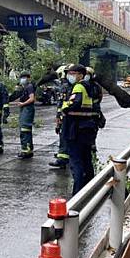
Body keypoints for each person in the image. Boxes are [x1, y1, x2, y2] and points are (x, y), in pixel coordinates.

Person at [61, 64, 98, 195]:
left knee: (76, 161)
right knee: (86, 160)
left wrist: (64, 106)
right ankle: (90, 189)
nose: (70, 76)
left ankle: (78, 193)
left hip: (75, 129)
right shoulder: (90, 87)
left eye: (73, 73)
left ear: (81, 75)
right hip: (86, 128)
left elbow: (73, 104)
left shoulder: (78, 87)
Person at [49, 65, 72, 169]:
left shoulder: (66, 87)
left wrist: (59, 117)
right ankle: (64, 155)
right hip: (66, 116)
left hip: (67, 117)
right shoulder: (69, 86)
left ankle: (62, 159)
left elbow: (62, 104)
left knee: (64, 137)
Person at [15, 70, 36, 159]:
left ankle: (26, 151)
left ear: (28, 78)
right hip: (25, 109)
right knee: (25, 129)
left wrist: (22, 104)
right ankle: (28, 150)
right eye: (22, 78)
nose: (23, 79)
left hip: (27, 109)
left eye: (25, 78)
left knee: (25, 130)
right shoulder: (25, 87)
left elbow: (32, 99)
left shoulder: (29, 86)